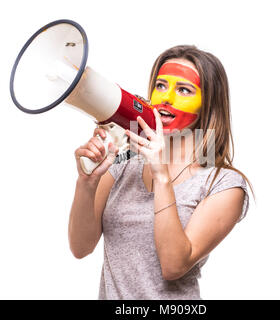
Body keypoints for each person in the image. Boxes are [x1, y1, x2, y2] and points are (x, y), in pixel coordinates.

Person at [68, 45, 251, 299]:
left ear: (208, 103)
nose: (167, 98)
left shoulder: (223, 184)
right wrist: (86, 183)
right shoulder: (124, 164)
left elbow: (173, 265)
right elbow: (81, 247)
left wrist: (161, 175)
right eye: (161, 86)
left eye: (184, 90)